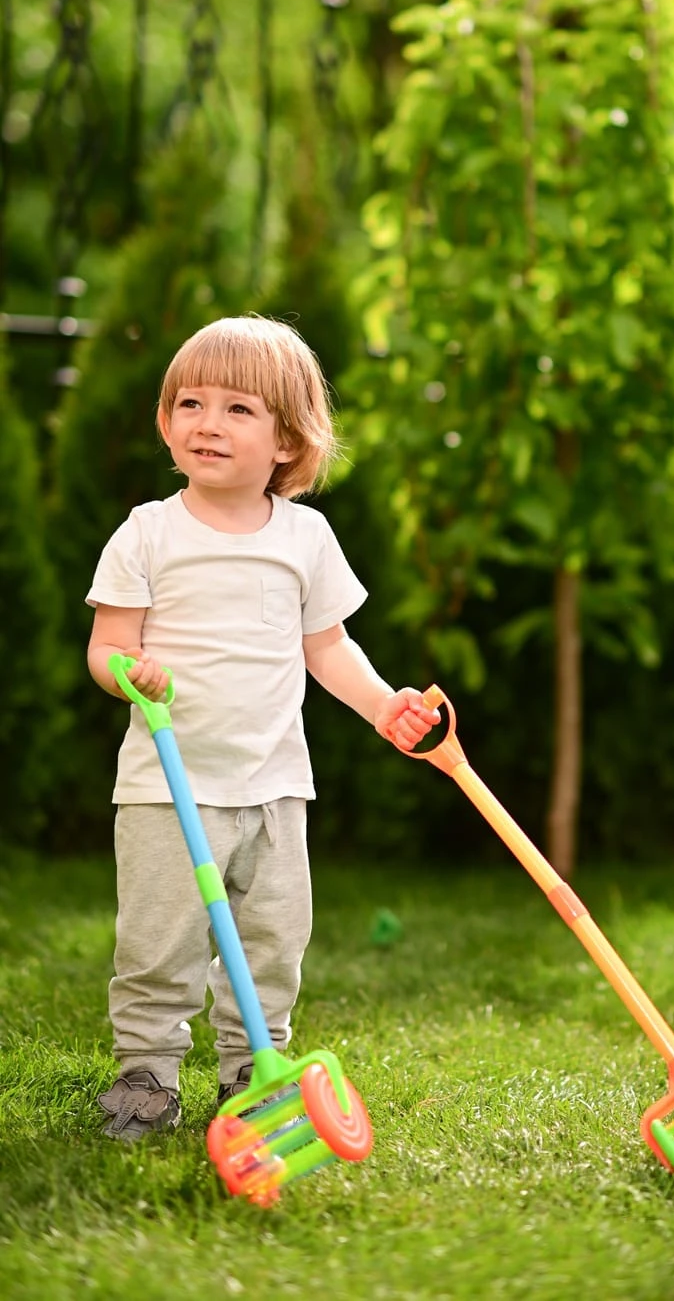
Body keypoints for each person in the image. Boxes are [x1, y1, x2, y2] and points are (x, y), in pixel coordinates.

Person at [86, 314, 438, 1142]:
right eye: (190, 403)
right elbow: (107, 645)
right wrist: (128, 675)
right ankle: (146, 1074)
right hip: (168, 787)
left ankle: (254, 1071)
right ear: (168, 419)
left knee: (274, 942)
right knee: (158, 943)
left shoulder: (304, 537)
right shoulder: (148, 532)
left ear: (288, 439)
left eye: (238, 409)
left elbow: (329, 647)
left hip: (275, 785)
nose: (207, 423)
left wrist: (385, 704)